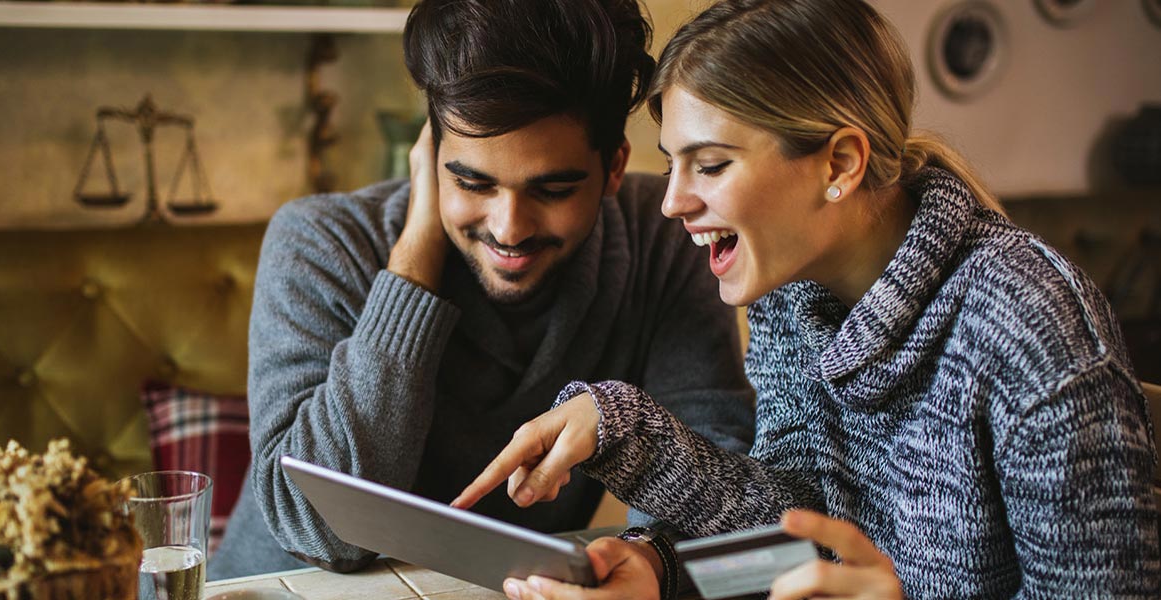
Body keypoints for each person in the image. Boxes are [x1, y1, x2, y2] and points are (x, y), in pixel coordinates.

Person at [453, 0, 1161, 598]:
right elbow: (794, 530)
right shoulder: (794, 295)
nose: (672, 201)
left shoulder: (1028, 322)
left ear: (839, 164)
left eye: (712, 164)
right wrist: (658, 559)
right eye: (673, 164)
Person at [208, 0, 756, 579]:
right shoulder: (321, 241)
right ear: (431, 157)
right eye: (472, 181)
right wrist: (416, 255)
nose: (509, 228)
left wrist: (650, 559)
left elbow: (726, 501)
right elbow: (320, 533)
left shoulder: (663, 243)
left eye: (553, 190)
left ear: (614, 167)